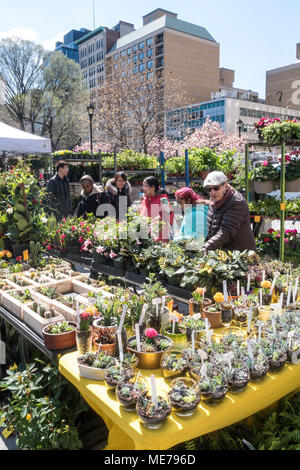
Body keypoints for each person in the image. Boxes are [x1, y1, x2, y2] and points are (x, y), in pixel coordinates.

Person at [202, 171, 256, 252]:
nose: (212, 192)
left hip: (240, 254)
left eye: (216, 188)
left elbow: (227, 231)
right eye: (209, 189)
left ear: (225, 186)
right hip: (223, 252)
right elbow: (212, 226)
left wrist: (206, 247)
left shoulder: (236, 202)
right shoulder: (214, 201)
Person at [139, 176, 174, 242]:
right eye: (143, 186)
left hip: (159, 242)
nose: (143, 188)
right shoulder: (143, 201)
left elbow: (170, 220)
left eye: (145, 186)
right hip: (145, 241)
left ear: (152, 188)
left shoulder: (163, 200)